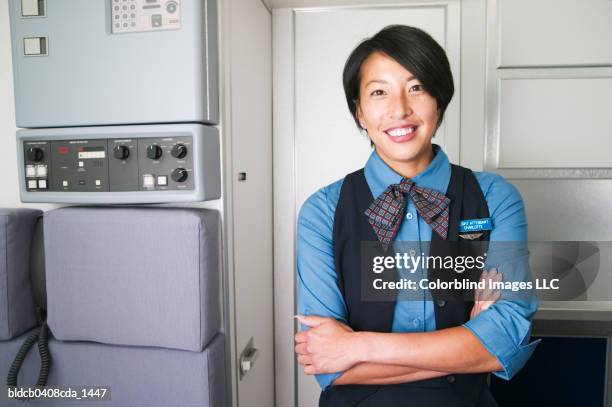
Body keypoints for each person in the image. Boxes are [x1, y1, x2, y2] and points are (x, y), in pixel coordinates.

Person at [294, 25, 539, 407]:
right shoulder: (322, 211)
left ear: (439, 102)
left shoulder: (495, 196)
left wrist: (358, 345)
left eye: (417, 87)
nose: (399, 109)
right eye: (378, 92)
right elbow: (329, 364)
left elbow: (506, 343)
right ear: (359, 113)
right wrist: (469, 347)